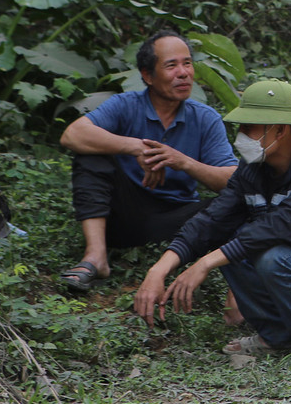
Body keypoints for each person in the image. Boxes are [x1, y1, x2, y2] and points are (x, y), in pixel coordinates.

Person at [133, 79, 291, 371]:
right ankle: (281, 336)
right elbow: (213, 219)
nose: (241, 136)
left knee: (268, 253)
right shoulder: (252, 168)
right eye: (241, 127)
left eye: (250, 127)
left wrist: (204, 264)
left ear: (280, 129)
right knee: (234, 243)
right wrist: (159, 269)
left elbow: (285, 224)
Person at [58, 30, 238, 291]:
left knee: (234, 202)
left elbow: (232, 180)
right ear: (147, 75)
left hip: (174, 221)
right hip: (120, 215)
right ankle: (96, 256)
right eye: (171, 65)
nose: (184, 72)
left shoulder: (206, 118)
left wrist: (183, 162)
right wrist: (136, 148)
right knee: (90, 155)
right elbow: (72, 134)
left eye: (187, 63)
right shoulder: (125, 104)